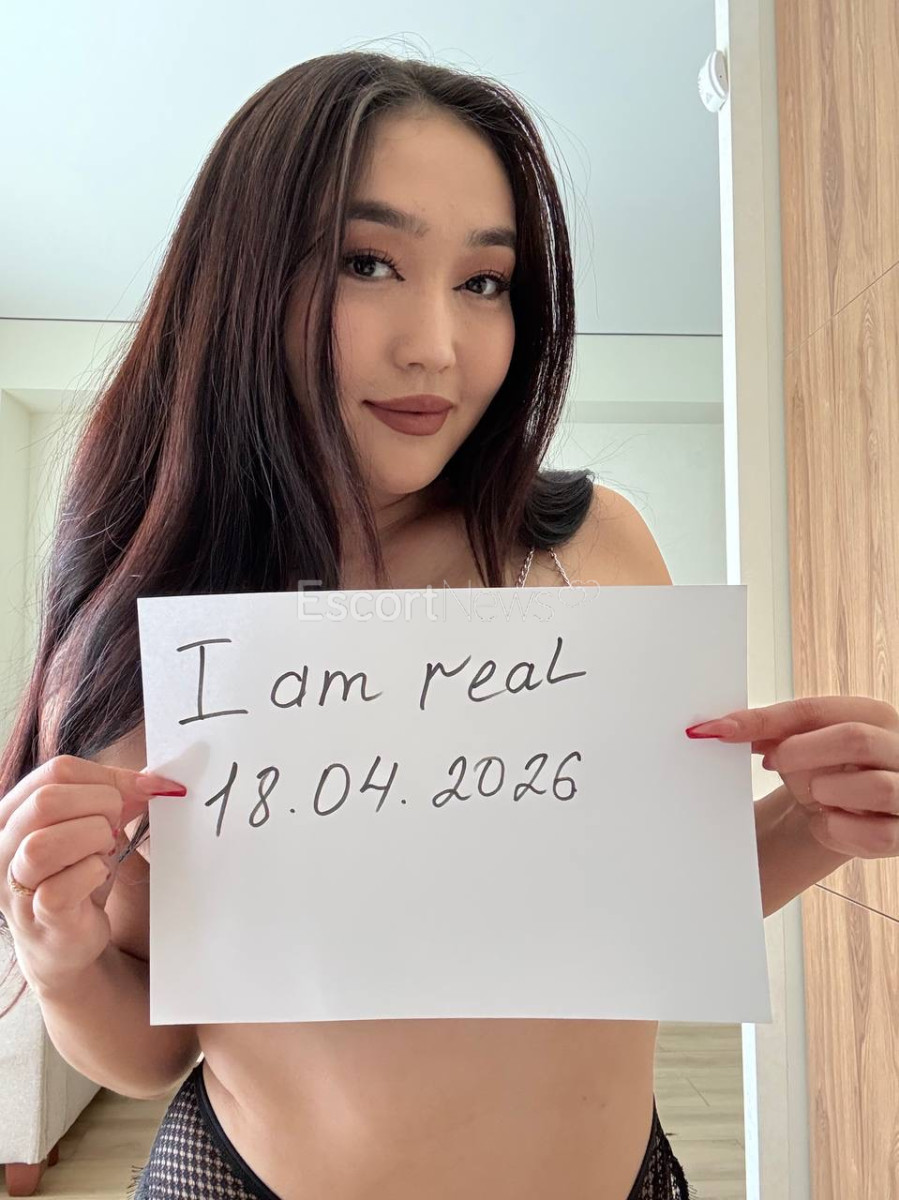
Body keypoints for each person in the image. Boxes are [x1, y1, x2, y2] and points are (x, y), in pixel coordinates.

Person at [2, 50, 899, 1200]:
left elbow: (646, 906)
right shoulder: (166, 634)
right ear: (239, 281)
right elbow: (151, 1050)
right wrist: (61, 959)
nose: (434, 344)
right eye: (366, 263)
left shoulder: (590, 548)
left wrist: (818, 822)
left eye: (484, 281)